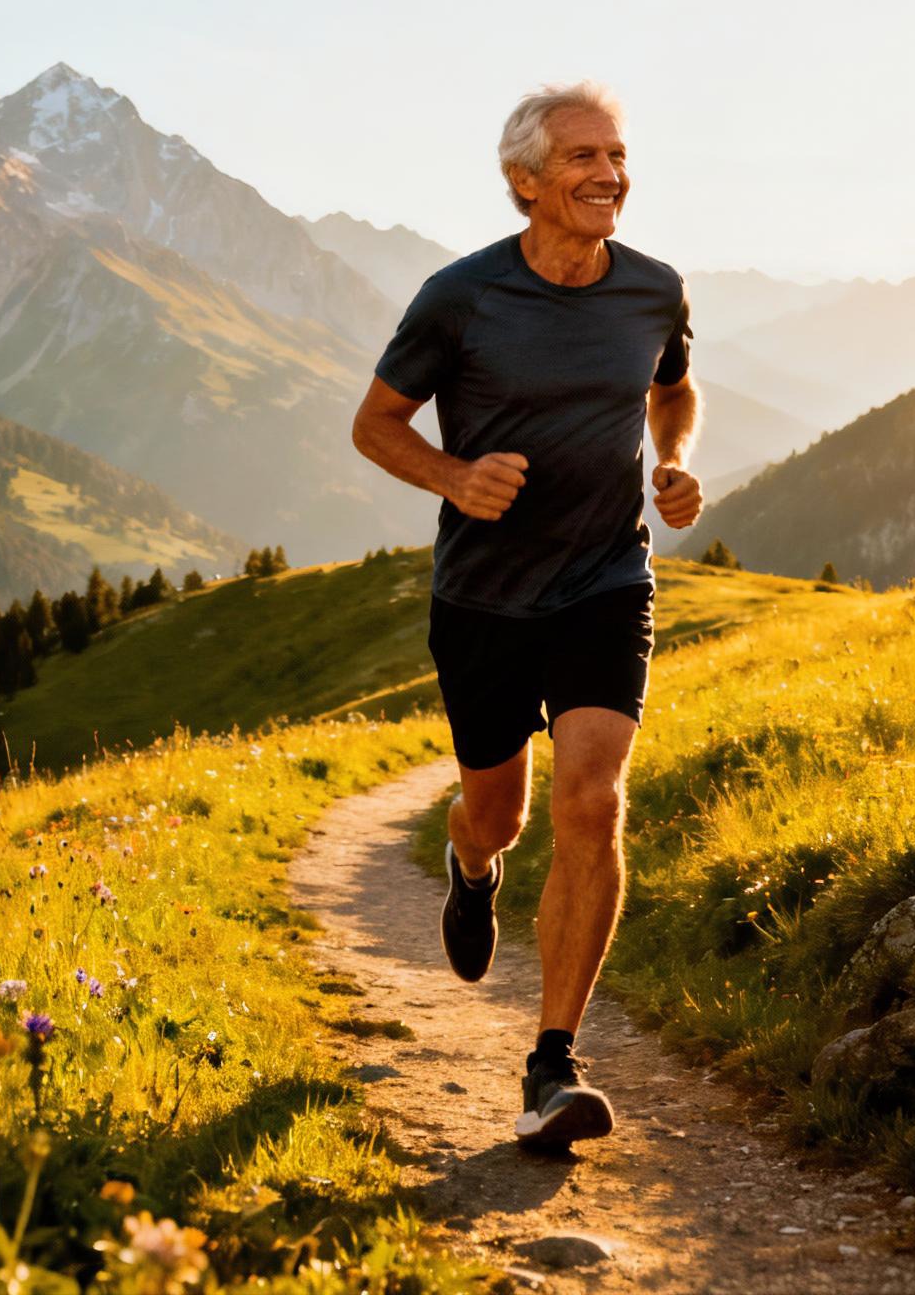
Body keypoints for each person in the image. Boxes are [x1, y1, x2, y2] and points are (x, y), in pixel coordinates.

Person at [350, 80, 701, 1147]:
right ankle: (471, 866)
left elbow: (672, 387)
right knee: (497, 813)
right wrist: (454, 479)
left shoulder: (653, 289)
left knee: (591, 801)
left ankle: (552, 1063)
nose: (610, 175)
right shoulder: (460, 297)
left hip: (606, 581)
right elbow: (375, 425)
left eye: (617, 155)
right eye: (583, 158)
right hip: (484, 598)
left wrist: (674, 460)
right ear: (525, 181)